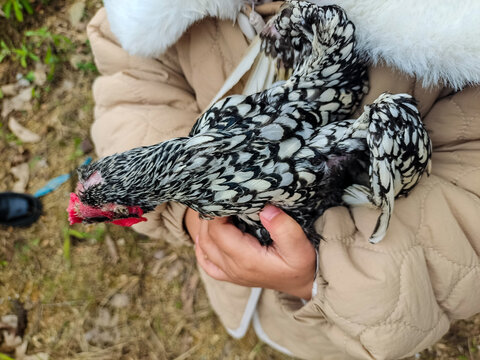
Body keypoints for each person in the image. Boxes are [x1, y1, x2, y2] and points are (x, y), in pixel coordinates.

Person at [86, 1, 480, 359]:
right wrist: (190, 211)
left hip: (358, 298)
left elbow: (467, 215)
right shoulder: (145, 12)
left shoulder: (459, 25)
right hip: (239, 286)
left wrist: (317, 281)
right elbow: (133, 85)